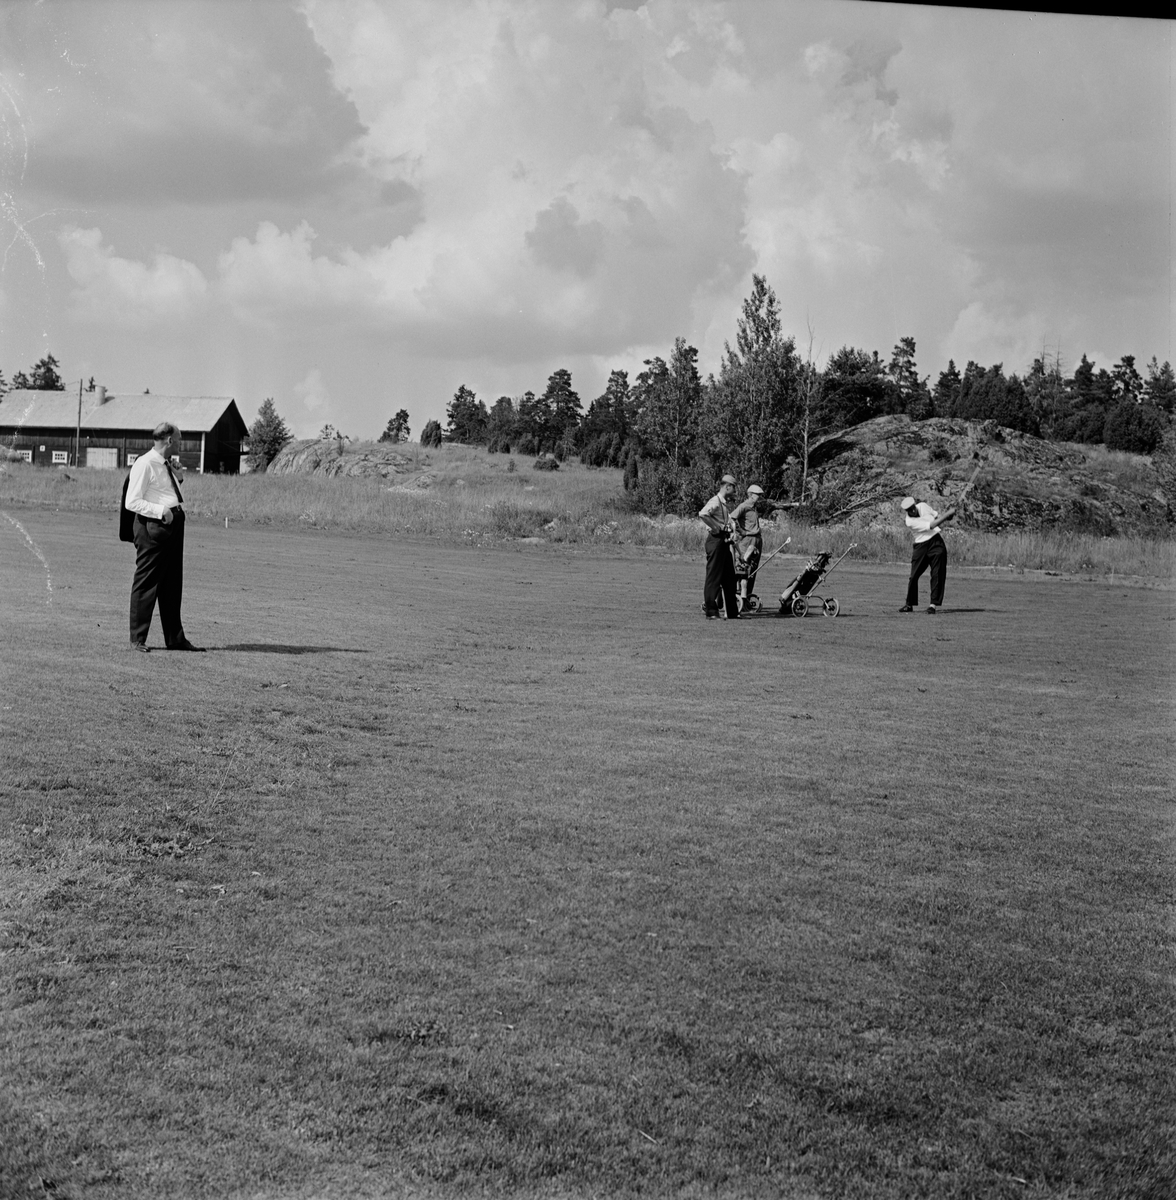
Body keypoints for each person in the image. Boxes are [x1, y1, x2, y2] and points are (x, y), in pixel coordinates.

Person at [125, 422, 203, 651]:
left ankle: (175, 639)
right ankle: (137, 639)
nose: (179, 444)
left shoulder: (164, 464)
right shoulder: (145, 463)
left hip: (172, 526)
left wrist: (178, 478)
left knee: (171, 583)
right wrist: (161, 512)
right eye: (178, 440)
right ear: (169, 440)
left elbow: (160, 492)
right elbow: (132, 501)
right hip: (154, 527)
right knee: (147, 582)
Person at [898, 494, 954, 614]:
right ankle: (909, 604)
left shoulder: (923, 506)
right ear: (906, 511)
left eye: (913, 507)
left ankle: (933, 605)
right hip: (921, 546)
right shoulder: (909, 521)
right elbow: (932, 525)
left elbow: (938, 518)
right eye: (909, 510)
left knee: (937, 573)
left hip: (936, 542)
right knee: (913, 576)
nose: (912, 511)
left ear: (915, 505)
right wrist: (946, 515)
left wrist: (949, 515)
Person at [698, 474, 739, 619]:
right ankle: (711, 611)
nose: (734, 491)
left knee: (729, 578)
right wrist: (717, 527)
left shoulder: (723, 503)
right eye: (733, 487)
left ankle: (733, 612)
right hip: (715, 541)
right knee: (713, 577)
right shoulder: (715, 501)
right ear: (727, 486)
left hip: (723, 541)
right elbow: (703, 514)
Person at [729, 483, 766, 610]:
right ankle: (738, 599)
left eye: (760, 495)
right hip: (747, 541)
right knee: (742, 569)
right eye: (757, 495)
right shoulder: (744, 506)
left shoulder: (754, 507)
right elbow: (731, 518)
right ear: (750, 495)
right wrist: (741, 531)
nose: (759, 497)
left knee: (753, 571)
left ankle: (747, 598)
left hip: (757, 540)